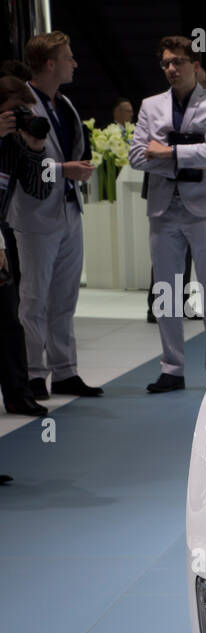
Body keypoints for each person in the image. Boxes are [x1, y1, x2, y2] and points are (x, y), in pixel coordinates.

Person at [129, 35, 206, 392]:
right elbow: (136, 156)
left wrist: (169, 152)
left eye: (178, 62)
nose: (171, 68)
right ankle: (171, 368)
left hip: (204, 209)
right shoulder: (150, 105)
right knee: (166, 290)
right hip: (163, 209)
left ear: (196, 65)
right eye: (166, 63)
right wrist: (188, 154)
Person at [9, 31, 101, 400]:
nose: (74, 63)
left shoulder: (64, 104)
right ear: (50, 63)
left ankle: (65, 371)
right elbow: (21, 163)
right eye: (68, 57)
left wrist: (71, 172)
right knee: (34, 297)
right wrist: (65, 170)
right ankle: (34, 373)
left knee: (65, 297)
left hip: (68, 209)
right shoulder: (20, 107)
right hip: (34, 215)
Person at [0, 76, 53, 416]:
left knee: (9, 321)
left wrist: (36, 149)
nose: (19, 117)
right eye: (13, 111)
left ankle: (18, 394)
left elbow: (40, 188)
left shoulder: (13, 145)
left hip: (2, 240)